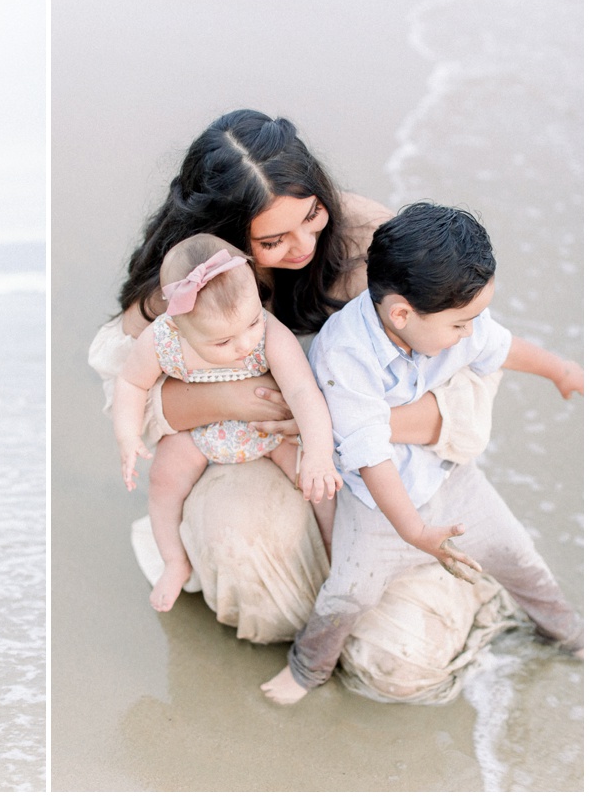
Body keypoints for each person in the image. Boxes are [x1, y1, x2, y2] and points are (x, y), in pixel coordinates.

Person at [90, 110, 508, 701]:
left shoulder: (369, 243)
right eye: (272, 240)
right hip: (249, 454)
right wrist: (232, 396)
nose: (306, 247)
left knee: (401, 661)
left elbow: (469, 379)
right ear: (228, 237)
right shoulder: (189, 286)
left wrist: (358, 425)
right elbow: (138, 399)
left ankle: (362, 600)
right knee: (243, 547)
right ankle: (310, 625)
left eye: (312, 216)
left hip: (389, 459)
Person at [261, 203, 584, 704]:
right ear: (401, 314)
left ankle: (568, 633)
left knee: (517, 554)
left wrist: (560, 370)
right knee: (351, 592)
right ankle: (307, 669)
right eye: (461, 325)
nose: (470, 333)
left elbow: (500, 346)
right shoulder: (345, 354)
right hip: (374, 502)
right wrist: (414, 532)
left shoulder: (449, 318)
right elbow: (370, 455)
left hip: (449, 477)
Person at [114, 235, 341, 611]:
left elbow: (302, 390)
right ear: (179, 322)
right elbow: (131, 382)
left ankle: (333, 546)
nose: (243, 344)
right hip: (200, 432)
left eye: (251, 322)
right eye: (222, 342)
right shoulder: (161, 341)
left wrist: (318, 453)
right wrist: (127, 434)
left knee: (316, 484)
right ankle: (174, 561)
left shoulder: (267, 332)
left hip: (269, 432)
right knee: (163, 482)